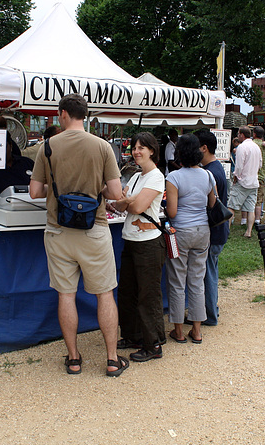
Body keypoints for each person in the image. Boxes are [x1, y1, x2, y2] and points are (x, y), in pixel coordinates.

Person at [29, 93, 128, 377]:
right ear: (84, 115)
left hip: (58, 231)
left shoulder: (47, 146)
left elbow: (35, 191)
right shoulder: (102, 147)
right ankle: (111, 359)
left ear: (62, 114)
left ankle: (74, 359)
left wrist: (58, 193)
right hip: (94, 229)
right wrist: (92, 191)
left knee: (66, 295)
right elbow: (115, 192)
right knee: (105, 294)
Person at [111, 132, 166, 362]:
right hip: (131, 240)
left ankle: (152, 344)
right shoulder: (135, 177)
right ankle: (133, 335)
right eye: (134, 147)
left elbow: (135, 206)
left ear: (152, 150)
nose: (136, 151)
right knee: (127, 292)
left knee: (148, 295)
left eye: (142, 147)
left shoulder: (156, 176)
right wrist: (127, 202)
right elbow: (119, 204)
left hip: (149, 243)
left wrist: (128, 202)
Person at [165, 133, 216, 345]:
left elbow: (173, 212)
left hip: (181, 232)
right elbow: (212, 204)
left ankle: (178, 330)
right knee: (197, 280)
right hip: (202, 230)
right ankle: (197, 330)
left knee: (177, 280)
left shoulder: (174, 178)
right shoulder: (207, 175)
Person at [196, 129, 229, 326]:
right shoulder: (217, 168)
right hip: (219, 231)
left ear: (204, 148)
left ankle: (209, 314)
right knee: (211, 273)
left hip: (213, 232)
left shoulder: (210, 173)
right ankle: (211, 310)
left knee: (208, 275)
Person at [228, 126, 262, 238]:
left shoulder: (242, 147)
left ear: (242, 135)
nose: (238, 136)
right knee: (250, 208)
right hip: (253, 181)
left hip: (243, 181)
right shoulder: (256, 147)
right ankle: (248, 231)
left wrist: (236, 176)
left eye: (238, 134)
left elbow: (239, 166)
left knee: (231, 206)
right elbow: (260, 164)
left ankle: (226, 230)